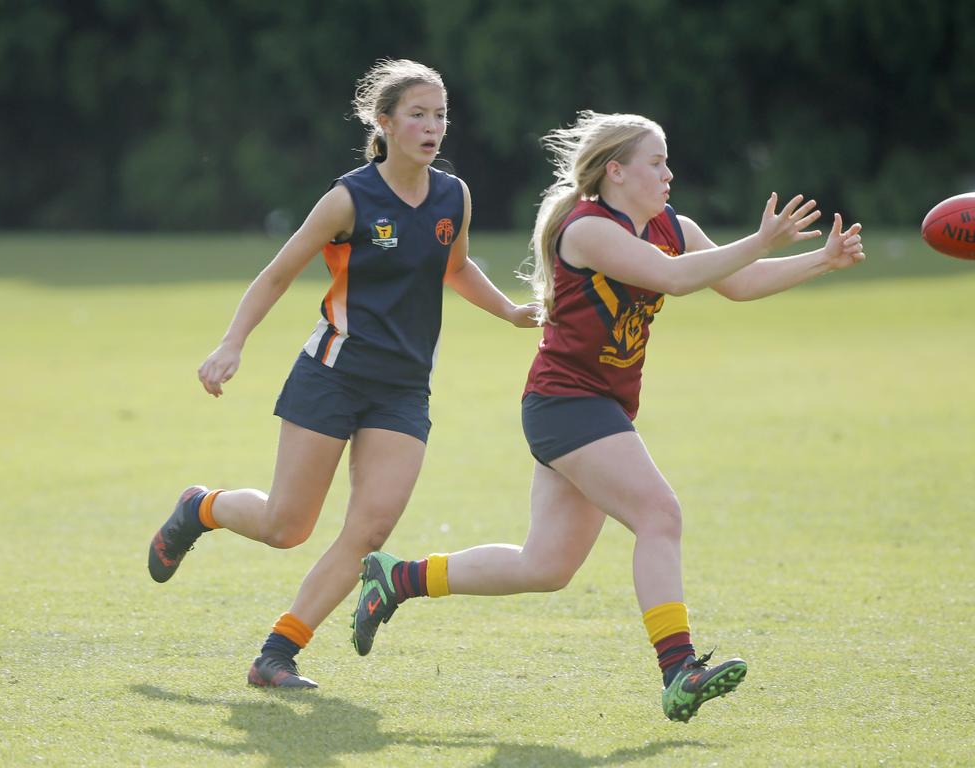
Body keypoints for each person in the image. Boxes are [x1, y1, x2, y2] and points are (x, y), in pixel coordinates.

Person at [351, 110, 865, 721]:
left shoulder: (673, 226)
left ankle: (400, 578)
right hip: (567, 404)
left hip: (596, 406)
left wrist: (822, 262)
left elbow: (740, 283)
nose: (669, 173)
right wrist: (759, 238)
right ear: (616, 171)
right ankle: (680, 669)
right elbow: (674, 279)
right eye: (657, 161)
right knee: (659, 513)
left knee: (544, 566)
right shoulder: (587, 228)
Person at [146, 58, 537, 689]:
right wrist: (232, 344)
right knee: (286, 527)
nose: (433, 126)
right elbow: (277, 273)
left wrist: (510, 311)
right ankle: (201, 508)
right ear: (384, 123)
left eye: (440, 115)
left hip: (404, 388)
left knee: (372, 530)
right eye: (418, 114)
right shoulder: (348, 199)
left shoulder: (452, 196)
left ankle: (278, 653)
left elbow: (457, 267)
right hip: (332, 373)